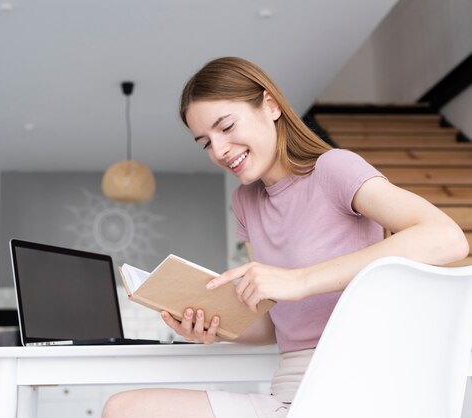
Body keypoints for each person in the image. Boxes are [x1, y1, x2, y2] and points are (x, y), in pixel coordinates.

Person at [101, 56, 469, 418]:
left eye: (226, 127)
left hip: (357, 385)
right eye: (205, 142)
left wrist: (300, 280)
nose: (219, 150)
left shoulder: (334, 169)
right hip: (290, 393)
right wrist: (213, 326)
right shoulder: (245, 202)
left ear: (270, 105)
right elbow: (275, 324)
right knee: (124, 409)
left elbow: (446, 238)